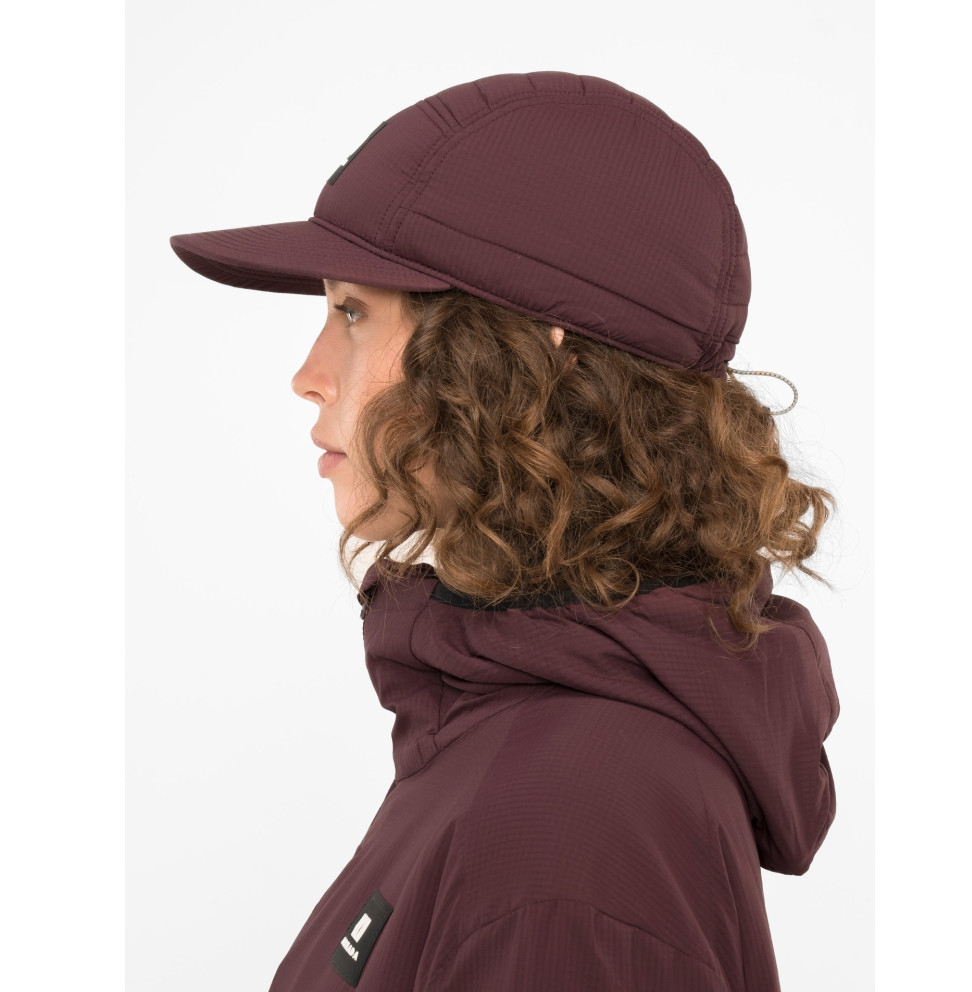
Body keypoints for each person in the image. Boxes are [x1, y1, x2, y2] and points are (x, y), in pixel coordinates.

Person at [170, 71, 839, 992]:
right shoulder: (526, 738)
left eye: (353, 312)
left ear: (516, 360)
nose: (308, 374)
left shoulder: (570, 834)